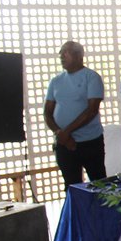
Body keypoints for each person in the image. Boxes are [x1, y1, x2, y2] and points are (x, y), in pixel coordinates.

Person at [44, 41, 107, 190]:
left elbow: (92, 110)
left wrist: (66, 132)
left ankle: (99, 214)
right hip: (64, 144)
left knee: (100, 187)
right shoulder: (56, 81)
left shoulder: (91, 77)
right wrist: (60, 133)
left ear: (79, 56)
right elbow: (47, 112)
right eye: (60, 53)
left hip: (90, 142)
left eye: (66, 52)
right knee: (72, 187)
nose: (61, 56)